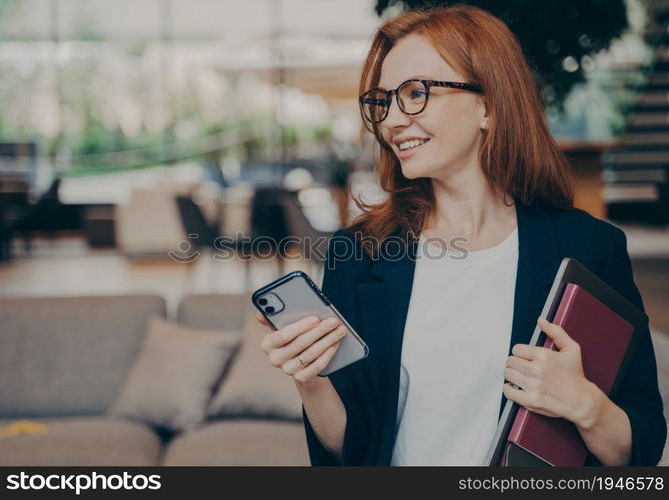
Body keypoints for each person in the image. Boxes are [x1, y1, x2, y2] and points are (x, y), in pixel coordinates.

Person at [256, 5, 666, 466]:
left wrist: (586, 406)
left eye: (415, 93)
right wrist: (310, 380)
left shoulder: (590, 249)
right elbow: (352, 452)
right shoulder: (359, 253)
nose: (391, 120)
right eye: (383, 100)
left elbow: (642, 446)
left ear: (488, 105)